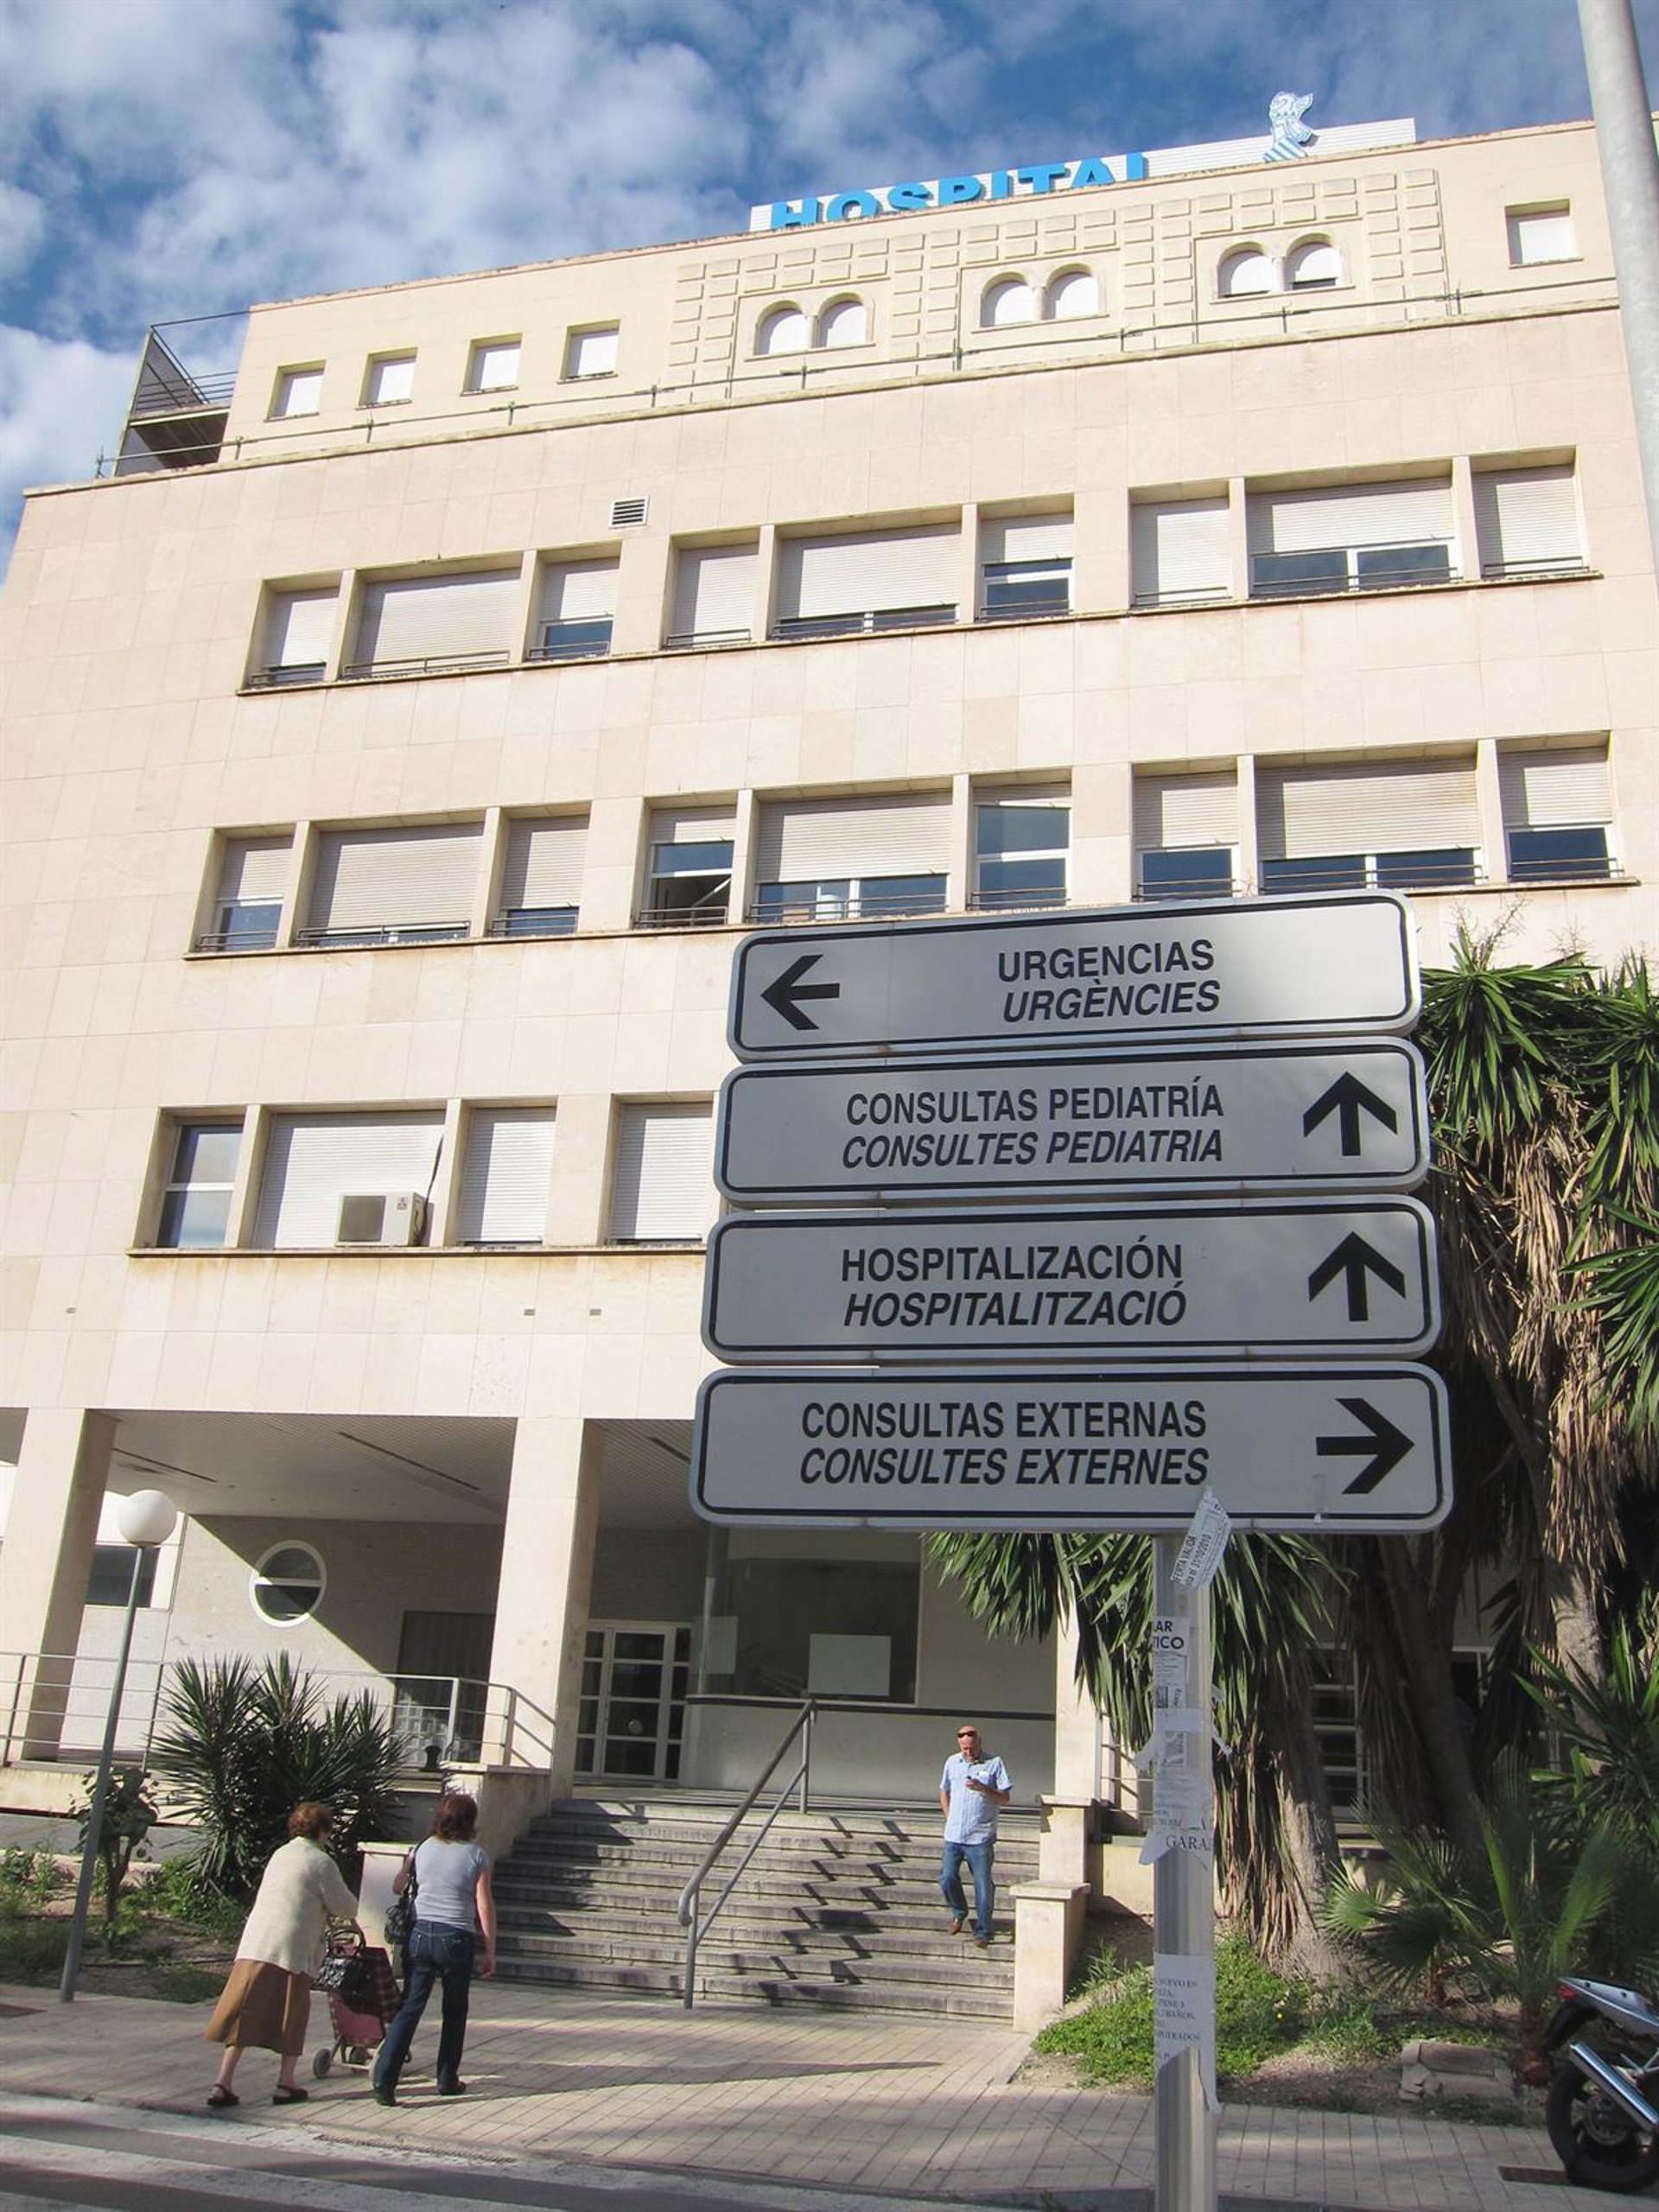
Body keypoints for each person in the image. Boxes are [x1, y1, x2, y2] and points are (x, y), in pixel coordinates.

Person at [205, 1800, 359, 2107]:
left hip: (256, 1943)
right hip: (292, 1948)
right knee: (292, 2012)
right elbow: (346, 1907)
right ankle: (285, 2083)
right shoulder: (321, 1862)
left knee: (244, 2010)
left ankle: (223, 2082)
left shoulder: (281, 1853)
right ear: (323, 1831)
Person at [372, 1790, 496, 2105]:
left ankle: (385, 2079)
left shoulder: (422, 1847)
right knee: (454, 2010)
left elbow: (397, 1886)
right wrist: (490, 1948)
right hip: (456, 1936)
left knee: (409, 2007)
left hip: (420, 1934)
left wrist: (411, 1869)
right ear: (471, 1822)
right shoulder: (477, 1856)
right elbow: (483, 1905)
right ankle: (446, 2078)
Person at [938, 1722, 1012, 1948]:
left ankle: (983, 1930)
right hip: (954, 1835)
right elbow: (944, 1790)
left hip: (980, 1837)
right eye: (964, 1749)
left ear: (980, 1742)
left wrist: (983, 1788)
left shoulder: (994, 1763)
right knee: (947, 1878)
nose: (968, 1752)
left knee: (982, 1884)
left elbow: (1005, 1799)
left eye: (972, 1748)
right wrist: (949, 1815)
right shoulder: (952, 1762)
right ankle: (958, 1911)